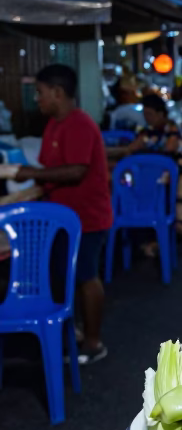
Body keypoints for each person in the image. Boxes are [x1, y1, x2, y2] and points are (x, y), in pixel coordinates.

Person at [10, 64, 113, 364]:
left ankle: (94, 342)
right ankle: (74, 332)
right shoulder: (53, 123)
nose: (37, 99)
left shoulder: (79, 123)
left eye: (40, 93)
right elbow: (48, 172)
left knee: (85, 275)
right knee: (62, 275)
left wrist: (25, 173)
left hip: (88, 218)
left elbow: (76, 170)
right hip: (60, 217)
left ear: (57, 93)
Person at [122, 94, 182, 240]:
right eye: (145, 114)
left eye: (150, 114)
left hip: (171, 177)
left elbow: (169, 150)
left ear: (161, 114)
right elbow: (133, 147)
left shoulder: (172, 130)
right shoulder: (147, 131)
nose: (147, 118)